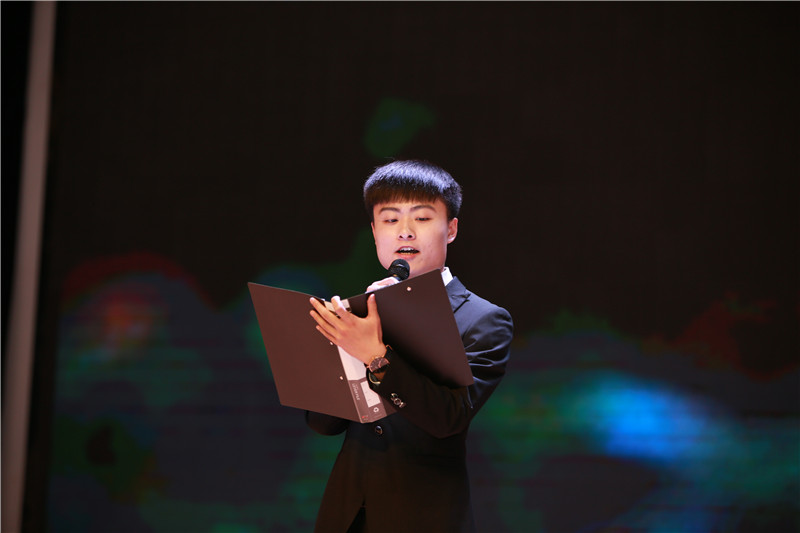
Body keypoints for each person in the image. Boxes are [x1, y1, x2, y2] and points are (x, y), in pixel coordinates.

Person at [307, 159, 513, 532]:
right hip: (348, 516)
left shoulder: (483, 319)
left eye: (421, 218)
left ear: (451, 229)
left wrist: (375, 355)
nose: (405, 232)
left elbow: (448, 418)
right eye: (390, 220)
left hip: (425, 516)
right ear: (374, 232)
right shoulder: (356, 314)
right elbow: (323, 424)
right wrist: (343, 347)